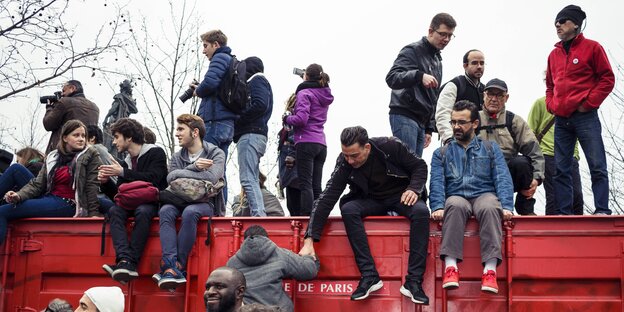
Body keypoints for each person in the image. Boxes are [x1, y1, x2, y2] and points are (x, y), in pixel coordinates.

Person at [299, 126, 430, 304]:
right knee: (349, 208)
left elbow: (419, 166)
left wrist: (414, 189)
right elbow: (327, 197)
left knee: (422, 212)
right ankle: (369, 276)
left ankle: (413, 282)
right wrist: (309, 239)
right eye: (346, 155)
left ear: (367, 147)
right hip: (371, 199)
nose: (350, 160)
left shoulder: (390, 146)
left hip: (401, 195)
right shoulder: (345, 162)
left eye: (354, 155)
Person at [430, 100, 514, 294]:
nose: (456, 127)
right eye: (453, 122)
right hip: (456, 195)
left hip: (484, 194)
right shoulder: (441, 153)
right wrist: (436, 207)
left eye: (461, 122)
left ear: (475, 124)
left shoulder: (491, 149)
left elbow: (502, 177)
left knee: (491, 207)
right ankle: (451, 267)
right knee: (454, 205)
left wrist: (507, 206)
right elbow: (436, 182)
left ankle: (490, 270)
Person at [546, 5, 615, 215]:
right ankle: (564, 213)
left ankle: (602, 209)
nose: (558, 24)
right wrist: (552, 105)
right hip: (561, 118)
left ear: (576, 24)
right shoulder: (553, 54)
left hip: (585, 117)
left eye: (563, 20)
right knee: (561, 168)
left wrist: (588, 104)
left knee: (596, 164)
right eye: (556, 21)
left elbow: (607, 78)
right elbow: (550, 85)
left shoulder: (593, 48)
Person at [153, 114, 225, 290]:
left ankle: (179, 266)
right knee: (165, 211)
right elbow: (170, 177)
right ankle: (169, 264)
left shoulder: (215, 152)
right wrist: (194, 168)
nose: (176, 133)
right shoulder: (178, 156)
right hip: (178, 200)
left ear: (195, 132)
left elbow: (211, 176)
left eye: (180, 129)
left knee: (190, 212)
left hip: (205, 202)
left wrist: (181, 173)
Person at [0, 120, 102, 245]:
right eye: (76, 135)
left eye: (83, 136)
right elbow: (38, 184)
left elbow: (91, 186)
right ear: (65, 138)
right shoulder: (53, 156)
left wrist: (93, 214)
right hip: (49, 197)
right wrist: (19, 195)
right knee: (16, 169)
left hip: (68, 203)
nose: (81, 139)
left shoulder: (90, 154)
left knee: (2, 212)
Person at [99, 118, 168, 284]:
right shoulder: (126, 162)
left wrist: (122, 172)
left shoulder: (156, 153)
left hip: (152, 202)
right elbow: (119, 195)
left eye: (116, 136)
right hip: (130, 204)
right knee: (114, 210)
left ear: (128, 137)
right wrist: (106, 182)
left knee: (143, 211)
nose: (114, 141)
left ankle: (131, 262)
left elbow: (156, 179)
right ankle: (124, 260)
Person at [386, 13, 457, 157]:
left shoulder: (438, 61)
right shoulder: (412, 50)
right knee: (407, 167)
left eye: (450, 35)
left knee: (415, 168)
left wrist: (429, 128)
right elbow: (392, 78)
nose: (446, 39)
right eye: (443, 34)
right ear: (431, 31)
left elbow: (433, 97)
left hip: (421, 122)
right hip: (405, 114)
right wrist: (419, 76)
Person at [477, 78, 544, 215]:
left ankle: (525, 208)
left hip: (508, 172)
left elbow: (534, 151)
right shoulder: (473, 119)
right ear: (484, 95)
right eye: (490, 94)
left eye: (499, 95)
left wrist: (536, 178)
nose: (494, 99)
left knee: (522, 163)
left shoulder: (514, 121)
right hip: (480, 173)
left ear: (506, 98)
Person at [227, 225, 318, 312]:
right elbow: (308, 271)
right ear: (266, 239)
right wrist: (308, 257)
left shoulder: (232, 262)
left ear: (244, 240)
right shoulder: (280, 254)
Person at [192, 29, 237, 204]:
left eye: (205, 46)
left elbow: (210, 83)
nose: (203, 51)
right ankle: (221, 208)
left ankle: (212, 208)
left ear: (216, 45)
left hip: (214, 122)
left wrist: (198, 90)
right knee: (220, 169)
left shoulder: (219, 58)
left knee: (208, 167)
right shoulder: (230, 60)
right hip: (227, 123)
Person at [283, 63, 334, 216]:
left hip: (305, 141)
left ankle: (306, 219)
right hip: (321, 143)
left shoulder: (304, 93)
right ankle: (319, 216)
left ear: (306, 76)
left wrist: (287, 118)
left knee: (305, 184)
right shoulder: (324, 94)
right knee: (316, 185)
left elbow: (301, 119)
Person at [528, 96, 584, 215]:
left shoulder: (574, 103)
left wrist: (576, 155)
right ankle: (552, 230)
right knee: (554, 194)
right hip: (548, 154)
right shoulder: (540, 103)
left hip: (570, 156)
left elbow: (577, 131)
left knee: (577, 195)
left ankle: (577, 231)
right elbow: (530, 132)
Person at [233, 56, 273, 216]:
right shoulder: (261, 82)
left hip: (251, 134)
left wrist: (238, 119)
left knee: (247, 178)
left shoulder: (257, 80)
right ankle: (257, 213)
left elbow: (260, 104)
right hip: (256, 134)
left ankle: (258, 215)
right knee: (252, 177)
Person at [436, 49, 485, 145]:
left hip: (478, 145)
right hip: (456, 141)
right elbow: (443, 113)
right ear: (465, 66)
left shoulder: (484, 90)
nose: (479, 67)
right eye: (474, 63)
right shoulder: (454, 85)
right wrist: (449, 139)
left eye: (482, 63)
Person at [43, 80, 99, 153]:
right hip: (85, 150)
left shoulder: (65, 102)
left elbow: (48, 124)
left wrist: (49, 107)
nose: (62, 94)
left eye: (64, 91)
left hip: (63, 151)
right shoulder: (95, 108)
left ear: (72, 88)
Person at [277, 94, 301, 216]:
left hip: (292, 168)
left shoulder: (292, 120)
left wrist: (291, 154)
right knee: (293, 204)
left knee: (295, 205)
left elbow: (294, 139)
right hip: (290, 168)